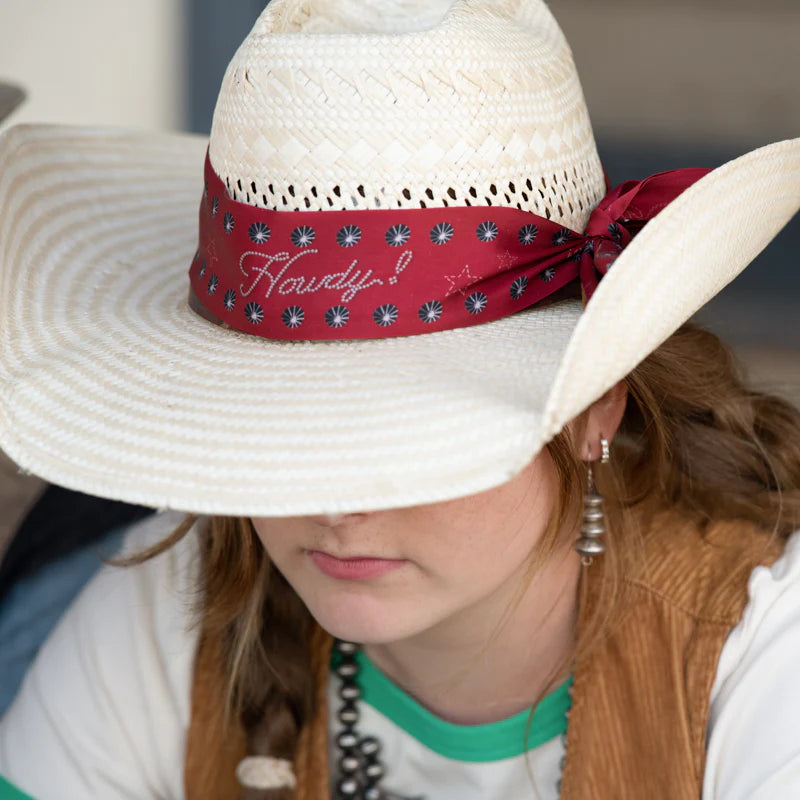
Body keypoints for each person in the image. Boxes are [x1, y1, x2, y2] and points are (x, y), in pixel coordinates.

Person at [0, 0, 799, 798]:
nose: (339, 500)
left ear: (597, 410)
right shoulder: (166, 612)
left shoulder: (761, 656)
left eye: (410, 436)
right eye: (281, 422)